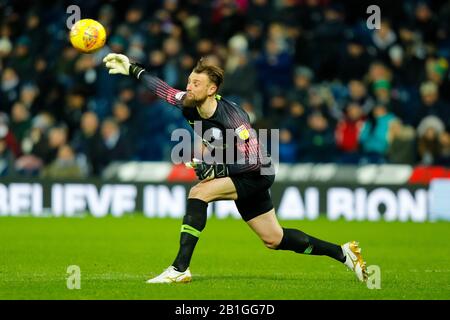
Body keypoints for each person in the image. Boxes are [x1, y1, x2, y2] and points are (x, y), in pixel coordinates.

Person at [103, 53, 368, 283]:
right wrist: (133, 68)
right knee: (274, 239)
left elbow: (254, 161)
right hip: (238, 171)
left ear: (211, 89)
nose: (188, 87)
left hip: (256, 173)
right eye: (189, 81)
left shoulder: (232, 118)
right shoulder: (189, 102)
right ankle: (343, 253)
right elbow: (163, 90)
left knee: (199, 193)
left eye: (196, 83)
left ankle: (179, 269)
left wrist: (215, 171)